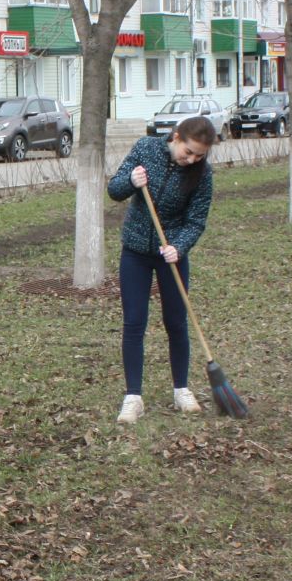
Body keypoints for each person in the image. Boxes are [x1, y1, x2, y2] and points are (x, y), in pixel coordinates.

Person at [106, 115, 216, 423]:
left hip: (171, 256)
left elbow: (196, 221)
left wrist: (178, 247)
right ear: (177, 137)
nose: (191, 159)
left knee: (176, 322)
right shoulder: (145, 148)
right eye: (189, 151)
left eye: (198, 155)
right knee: (134, 322)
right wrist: (132, 181)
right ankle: (133, 397)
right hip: (136, 252)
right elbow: (114, 190)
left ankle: (181, 389)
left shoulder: (202, 175)